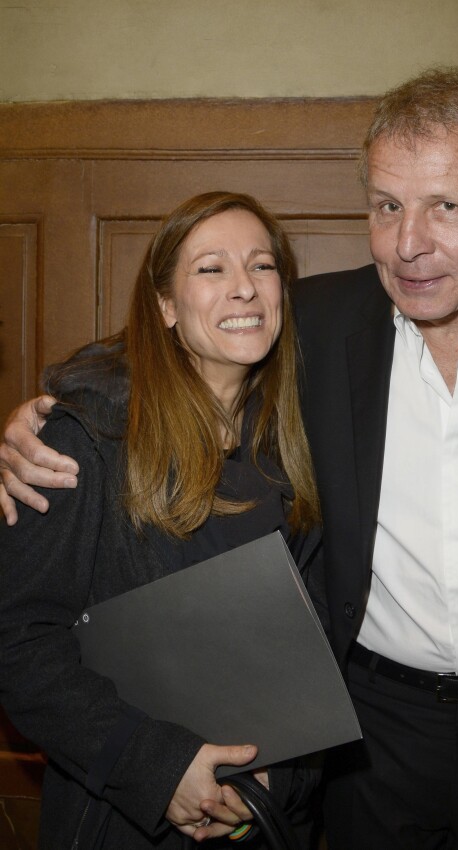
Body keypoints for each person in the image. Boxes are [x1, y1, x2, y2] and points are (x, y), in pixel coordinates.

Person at [2, 67, 458, 850]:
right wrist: (47, 414)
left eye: (446, 205)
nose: (410, 245)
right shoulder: (322, 322)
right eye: (386, 206)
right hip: (368, 739)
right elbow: (182, 338)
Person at [0, 190, 324, 849]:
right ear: (166, 307)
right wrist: (156, 766)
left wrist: (284, 776)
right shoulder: (85, 439)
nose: (244, 288)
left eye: (262, 266)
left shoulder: (294, 442)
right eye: (211, 269)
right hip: (128, 824)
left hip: (267, 824)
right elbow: (18, 645)